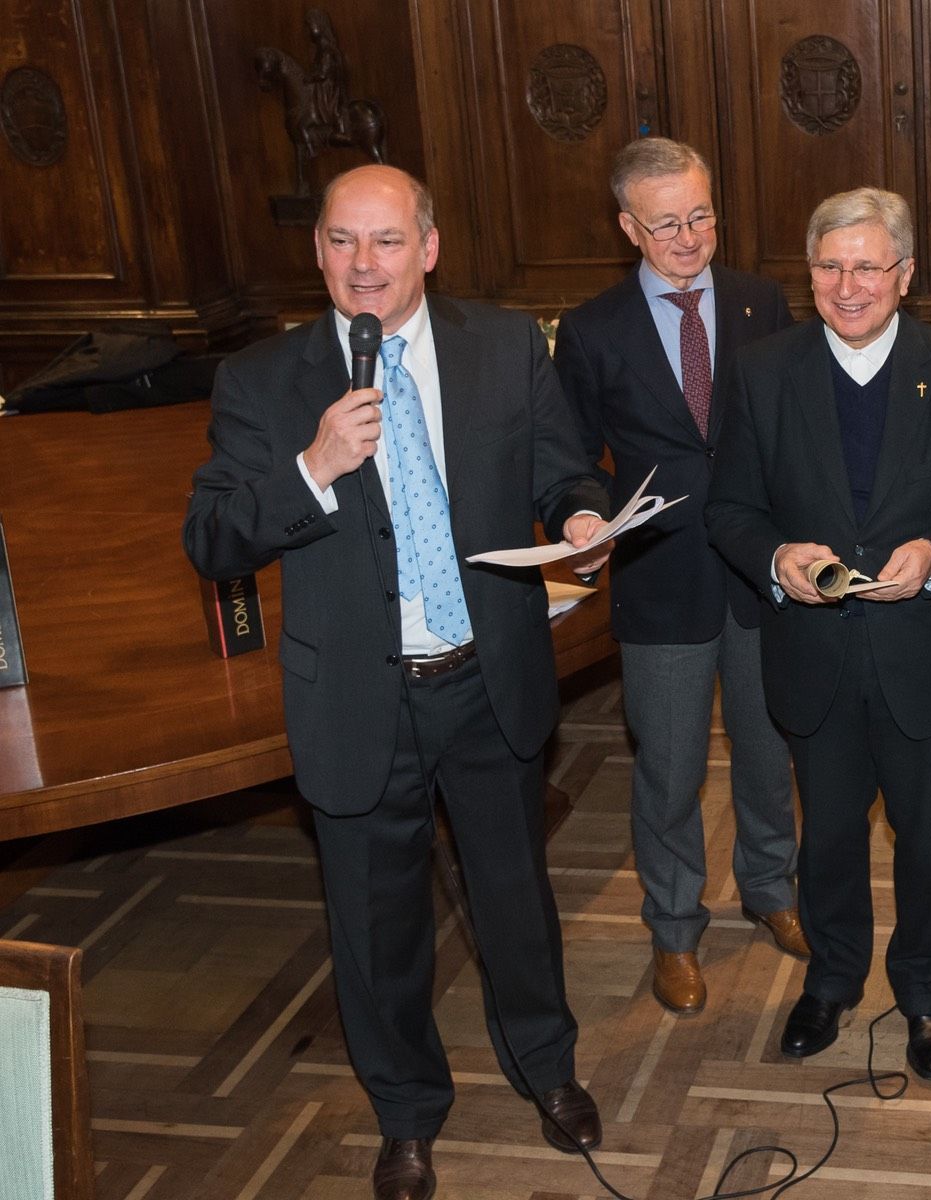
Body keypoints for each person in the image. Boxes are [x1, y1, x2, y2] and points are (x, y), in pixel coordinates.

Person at [184, 164, 613, 1200]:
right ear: (319, 251)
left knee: (515, 898)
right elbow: (212, 537)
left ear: (428, 247)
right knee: (376, 930)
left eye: (385, 242)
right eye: (341, 242)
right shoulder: (264, 381)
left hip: (486, 677)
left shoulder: (505, 346)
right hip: (354, 700)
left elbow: (563, 468)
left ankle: (546, 1071)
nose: (363, 265)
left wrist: (584, 519)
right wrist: (312, 468)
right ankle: (409, 1116)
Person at [705, 187, 931, 1080]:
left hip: (927, 653)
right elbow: (729, 510)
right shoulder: (763, 373)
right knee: (828, 835)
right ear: (809, 275)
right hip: (815, 656)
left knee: (928, 836)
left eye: (868, 266)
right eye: (830, 266)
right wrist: (777, 558)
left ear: (905, 275)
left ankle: (925, 990)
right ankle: (832, 980)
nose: (848, 285)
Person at [553, 138, 805, 1016]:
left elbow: (788, 427)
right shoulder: (591, 329)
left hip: (758, 570)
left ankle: (772, 890)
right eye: (667, 223)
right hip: (660, 582)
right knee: (668, 770)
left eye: (702, 214)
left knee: (770, 751)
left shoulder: (759, 301)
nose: (691, 236)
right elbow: (570, 457)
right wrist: (581, 514)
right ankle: (674, 930)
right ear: (628, 226)